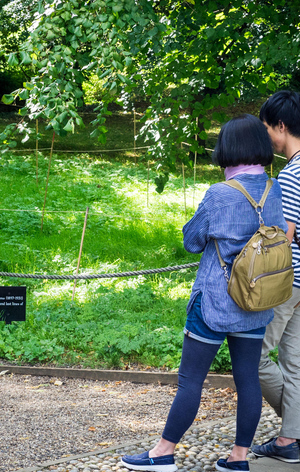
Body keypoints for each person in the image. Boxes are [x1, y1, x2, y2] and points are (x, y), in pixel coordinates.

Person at [120, 114, 287, 472]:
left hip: (214, 301)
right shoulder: (276, 191)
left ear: (227, 148)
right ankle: (239, 458)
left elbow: (192, 241)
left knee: (190, 380)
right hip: (257, 301)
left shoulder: (220, 193)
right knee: (247, 381)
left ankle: (163, 452)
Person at [250, 91, 300, 464]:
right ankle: (288, 441)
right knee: (294, 359)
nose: (266, 135)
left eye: (267, 127)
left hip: (288, 281)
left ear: (281, 126)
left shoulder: (293, 174)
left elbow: (287, 234)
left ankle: (298, 425)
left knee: (256, 357)